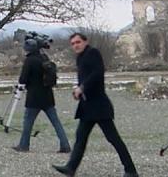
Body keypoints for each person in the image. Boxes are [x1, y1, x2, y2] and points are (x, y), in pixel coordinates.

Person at [54, 32, 138, 177]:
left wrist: (82, 87)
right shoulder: (80, 58)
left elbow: (97, 74)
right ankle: (71, 168)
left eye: (78, 42)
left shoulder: (93, 53)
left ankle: (130, 170)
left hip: (99, 106)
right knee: (80, 137)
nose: (76, 45)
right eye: (73, 43)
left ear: (85, 42)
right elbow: (85, 78)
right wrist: (78, 90)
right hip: (87, 107)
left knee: (113, 138)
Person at [13, 38, 71, 154]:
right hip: (48, 96)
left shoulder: (29, 60)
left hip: (34, 97)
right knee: (56, 122)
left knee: (28, 121)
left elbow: (22, 79)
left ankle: (24, 145)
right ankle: (65, 145)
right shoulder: (44, 58)